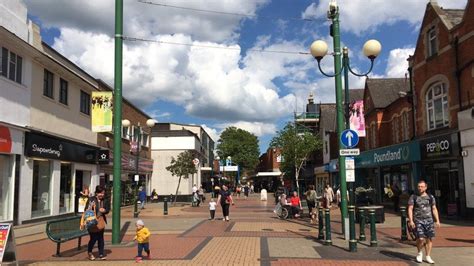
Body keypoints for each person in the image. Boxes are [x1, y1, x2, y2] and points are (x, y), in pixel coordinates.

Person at [408, 180, 440, 264]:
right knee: (420, 238)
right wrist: (411, 221)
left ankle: (428, 256)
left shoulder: (430, 197)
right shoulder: (413, 197)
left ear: (425, 187)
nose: (420, 188)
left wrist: (437, 220)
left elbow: (434, 208)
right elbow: (410, 209)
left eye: (422, 186)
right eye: (418, 186)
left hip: (429, 220)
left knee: (429, 239)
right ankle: (419, 253)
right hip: (418, 220)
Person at [81, 185, 110, 261]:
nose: (101, 195)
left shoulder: (105, 200)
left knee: (101, 238)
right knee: (93, 238)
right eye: (100, 193)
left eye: (103, 193)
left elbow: (108, 209)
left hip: (100, 220)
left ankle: (101, 253)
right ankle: (90, 252)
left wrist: (105, 210)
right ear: (96, 193)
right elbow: (86, 209)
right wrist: (90, 208)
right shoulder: (91, 199)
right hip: (92, 220)